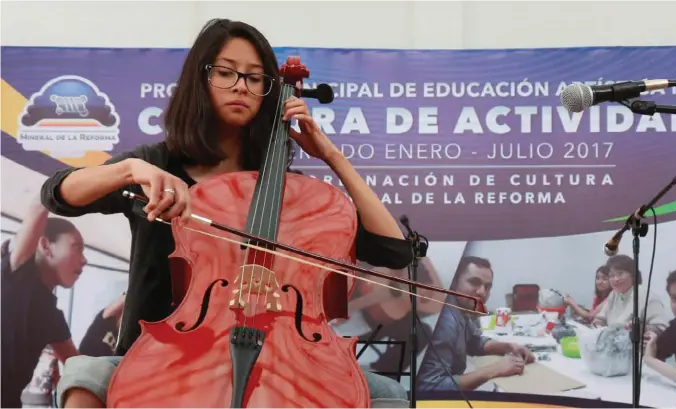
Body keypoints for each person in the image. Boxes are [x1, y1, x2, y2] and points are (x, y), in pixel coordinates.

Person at [43, 19, 414, 408]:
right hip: (165, 358)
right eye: (226, 73)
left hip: (281, 363)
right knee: (84, 373)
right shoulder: (157, 165)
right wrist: (129, 170)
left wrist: (331, 156)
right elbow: (58, 194)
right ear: (199, 80)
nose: (241, 86)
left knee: (390, 397)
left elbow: (393, 251)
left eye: (255, 79)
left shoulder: (292, 194)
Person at [1, 198, 84, 408]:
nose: (84, 260)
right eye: (77, 247)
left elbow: (81, 368)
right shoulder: (15, 273)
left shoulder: (53, 317)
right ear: (46, 245)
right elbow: (40, 204)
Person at [417, 256, 534, 392]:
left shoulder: (461, 308)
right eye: (474, 282)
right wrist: (494, 369)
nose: (482, 292)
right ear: (454, 282)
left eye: (487, 286)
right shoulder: (445, 322)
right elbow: (431, 387)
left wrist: (508, 347)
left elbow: (475, 341)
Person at [592, 255, 668, 334]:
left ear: (633, 275)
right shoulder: (614, 294)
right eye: (611, 275)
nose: (615, 279)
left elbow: (661, 327)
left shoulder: (645, 294)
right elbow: (600, 319)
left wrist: (641, 328)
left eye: (620, 274)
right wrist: (598, 327)